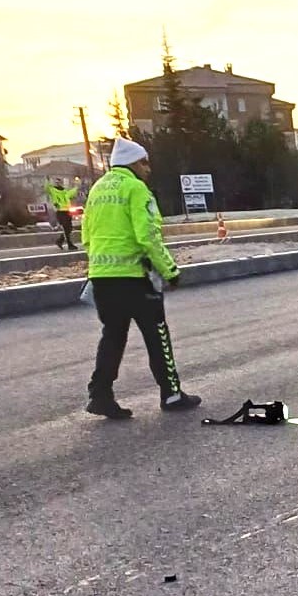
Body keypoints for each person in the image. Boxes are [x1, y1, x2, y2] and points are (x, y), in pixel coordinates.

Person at [82, 137, 201, 419]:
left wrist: (102, 267)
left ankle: (100, 395)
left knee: (112, 336)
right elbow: (147, 236)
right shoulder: (136, 189)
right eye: (144, 162)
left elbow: (86, 236)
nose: (148, 168)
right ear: (133, 163)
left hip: (102, 279)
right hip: (135, 278)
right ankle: (171, 394)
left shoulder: (97, 190)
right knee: (157, 334)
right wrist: (171, 271)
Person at [46, 178, 77, 250]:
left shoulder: (65, 191)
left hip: (67, 211)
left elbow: (71, 193)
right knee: (66, 228)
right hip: (60, 211)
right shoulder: (53, 190)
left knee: (69, 228)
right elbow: (47, 188)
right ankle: (69, 244)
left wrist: (76, 185)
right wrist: (47, 181)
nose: (58, 183)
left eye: (59, 182)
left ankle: (60, 241)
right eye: (56, 182)